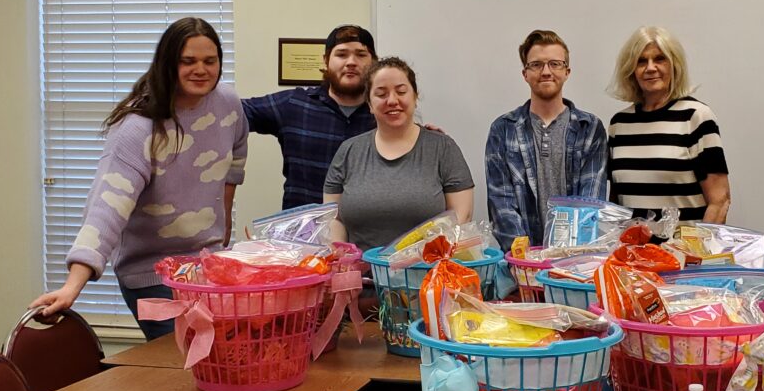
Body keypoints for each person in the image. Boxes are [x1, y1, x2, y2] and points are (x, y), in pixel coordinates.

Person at [30, 18, 248, 339]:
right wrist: (71, 287)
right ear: (167, 64)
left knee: (220, 363)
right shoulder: (138, 128)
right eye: (188, 61)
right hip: (152, 275)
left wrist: (223, 233)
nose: (200, 69)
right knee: (180, 371)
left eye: (209, 61)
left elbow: (235, 162)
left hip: (205, 268)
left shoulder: (228, 104)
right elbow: (107, 208)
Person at [324, 57, 474, 251]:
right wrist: (341, 257)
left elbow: (462, 216)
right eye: (381, 94)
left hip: (428, 273)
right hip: (360, 276)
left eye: (401, 91)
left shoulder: (442, 148)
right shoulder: (348, 151)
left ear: (415, 97)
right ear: (369, 103)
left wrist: (415, 259)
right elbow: (332, 220)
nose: (392, 100)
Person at [485, 30, 608, 252]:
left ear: (567, 71)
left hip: (574, 264)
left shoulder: (589, 129)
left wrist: (566, 259)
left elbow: (590, 205)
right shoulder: (502, 129)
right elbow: (501, 206)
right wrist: (527, 259)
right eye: (536, 65)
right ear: (525, 73)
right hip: (521, 266)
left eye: (555, 64)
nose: (546, 71)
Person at [243, 25, 377, 210]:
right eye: (341, 54)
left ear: (374, 63)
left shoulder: (384, 115)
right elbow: (233, 113)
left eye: (361, 54)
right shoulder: (294, 105)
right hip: (301, 235)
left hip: (365, 234)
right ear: (326, 60)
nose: (351, 62)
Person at [607, 26, 730, 224]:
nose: (650, 67)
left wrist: (697, 252)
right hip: (632, 254)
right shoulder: (619, 124)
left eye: (659, 59)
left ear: (674, 65)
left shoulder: (696, 117)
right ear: (631, 69)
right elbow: (616, 203)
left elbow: (720, 201)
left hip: (684, 253)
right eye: (641, 61)